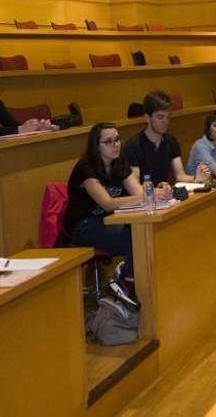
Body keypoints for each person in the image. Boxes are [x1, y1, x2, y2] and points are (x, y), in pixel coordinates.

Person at [65, 122, 146, 307]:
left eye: (117, 139)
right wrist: (145, 197)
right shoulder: (86, 167)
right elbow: (107, 203)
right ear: (96, 146)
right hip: (84, 226)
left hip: (109, 221)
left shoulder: (120, 162)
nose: (115, 144)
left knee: (143, 231)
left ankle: (127, 278)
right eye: (108, 141)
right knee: (134, 237)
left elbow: (138, 192)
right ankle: (127, 285)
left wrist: (151, 195)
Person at [121, 91, 209, 191]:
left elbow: (180, 176)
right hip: (143, 199)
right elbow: (135, 188)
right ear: (147, 118)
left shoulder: (170, 140)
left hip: (162, 196)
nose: (166, 122)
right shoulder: (133, 146)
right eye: (160, 117)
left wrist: (196, 178)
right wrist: (156, 191)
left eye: (168, 117)